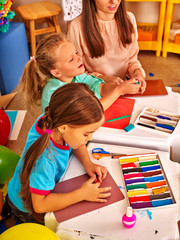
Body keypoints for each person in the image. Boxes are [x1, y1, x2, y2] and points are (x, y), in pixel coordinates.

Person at [6, 83, 111, 224]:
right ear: (63, 128)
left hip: (31, 187)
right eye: (86, 134)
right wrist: (81, 194)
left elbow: (74, 141)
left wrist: (88, 164)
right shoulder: (45, 160)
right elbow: (39, 205)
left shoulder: (53, 119)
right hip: (26, 207)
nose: (90, 139)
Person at [19, 33, 141, 113]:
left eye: (76, 53)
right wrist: (119, 91)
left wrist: (122, 86)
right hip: (56, 144)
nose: (79, 58)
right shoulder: (55, 91)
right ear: (56, 72)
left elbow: (101, 87)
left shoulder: (75, 76)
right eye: (71, 59)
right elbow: (91, 111)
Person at [67, 0, 146, 92]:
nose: (114, 1)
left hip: (123, 88)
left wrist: (137, 73)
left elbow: (132, 60)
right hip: (93, 90)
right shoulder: (76, 26)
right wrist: (104, 78)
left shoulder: (129, 18)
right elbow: (75, 74)